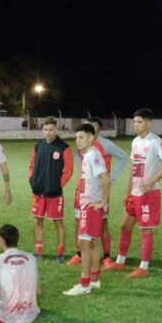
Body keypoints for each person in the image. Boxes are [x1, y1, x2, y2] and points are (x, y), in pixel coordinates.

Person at [103, 109, 162, 278]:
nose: (136, 125)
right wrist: (127, 192)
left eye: (139, 122)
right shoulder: (135, 141)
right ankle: (120, 262)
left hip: (148, 194)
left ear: (148, 123)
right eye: (134, 122)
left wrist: (153, 179)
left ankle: (144, 267)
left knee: (145, 229)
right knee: (125, 226)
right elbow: (134, 168)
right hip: (134, 193)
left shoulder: (155, 142)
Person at [67, 117, 126, 268]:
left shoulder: (104, 145)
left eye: (91, 127)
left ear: (96, 131)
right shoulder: (83, 147)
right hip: (83, 189)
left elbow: (123, 157)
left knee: (101, 225)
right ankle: (80, 254)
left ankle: (105, 257)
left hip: (98, 192)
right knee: (78, 222)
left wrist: (111, 178)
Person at [63, 124, 110, 296]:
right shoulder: (89, 155)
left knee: (84, 244)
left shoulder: (92, 156)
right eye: (76, 137)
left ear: (91, 138)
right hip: (89, 204)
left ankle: (84, 283)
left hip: (91, 205)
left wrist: (102, 202)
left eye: (81, 137)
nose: (78, 141)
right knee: (94, 241)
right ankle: (95, 278)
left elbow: (105, 178)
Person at [28, 117, 73, 262]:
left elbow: (68, 170)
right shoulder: (38, 146)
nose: (48, 133)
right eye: (45, 130)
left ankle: (60, 253)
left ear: (56, 130)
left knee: (58, 222)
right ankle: (39, 252)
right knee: (38, 221)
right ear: (42, 130)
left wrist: (58, 184)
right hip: (38, 191)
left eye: (51, 130)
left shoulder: (64, 148)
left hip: (54, 193)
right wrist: (32, 180)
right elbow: (32, 165)